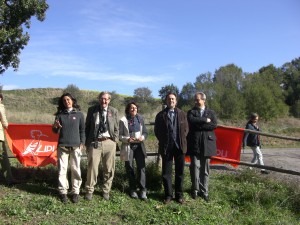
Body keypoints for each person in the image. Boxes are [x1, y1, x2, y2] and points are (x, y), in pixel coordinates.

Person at [154, 92, 189, 204]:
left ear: (176, 101)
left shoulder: (182, 114)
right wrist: (164, 140)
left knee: (180, 172)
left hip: (180, 147)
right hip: (166, 148)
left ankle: (179, 195)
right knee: (166, 173)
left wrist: (181, 140)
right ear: (166, 101)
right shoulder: (160, 115)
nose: (171, 101)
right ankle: (168, 195)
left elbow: (186, 130)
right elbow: (157, 131)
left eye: (173, 99)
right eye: (169, 99)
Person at [84, 91, 119, 201]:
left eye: (106, 99)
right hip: (95, 142)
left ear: (109, 100)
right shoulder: (92, 110)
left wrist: (115, 141)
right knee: (92, 168)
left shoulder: (114, 111)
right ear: (99, 99)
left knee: (109, 168)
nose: (104, 101)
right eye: (102, 98)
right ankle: (89, 190)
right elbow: (87, 127)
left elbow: (117, 128)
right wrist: (86, 142)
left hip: (109, 142)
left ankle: (106, 190)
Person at [52, 93, 85, 204]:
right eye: (64, 100)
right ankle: (63, 192)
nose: (67, 101)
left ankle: (75, 192)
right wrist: (56, 127)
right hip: (62, 146)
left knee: (76, 169)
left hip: (76, 146)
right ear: (62, 102)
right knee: (62, 170)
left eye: (68, 99)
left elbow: (82, 130)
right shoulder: (59, 115)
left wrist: (82, 142)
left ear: (72, 101)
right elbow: (55, 131)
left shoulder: (79, 114)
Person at [187, 92, 217, 202]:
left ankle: (204, 191)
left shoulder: (211, 112)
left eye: (198, 99)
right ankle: (195, 190)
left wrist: (199, 124)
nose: (196, 101)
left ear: (203, 100)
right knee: (195, 167)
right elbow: (191, 121)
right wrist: (204, 120)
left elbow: (213, 125)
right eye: (195, 99)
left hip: (207, 144)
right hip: (194, 143)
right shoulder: (191, 112)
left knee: (205, 169)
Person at [119, 102, 148, 200]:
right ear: (128, 109)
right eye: (131, 108)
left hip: (139, 146)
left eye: (135, 108)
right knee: (130, 168)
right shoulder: (123, 120)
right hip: (128, 147)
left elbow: (145, 132)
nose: (134, 109)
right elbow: (119, 135)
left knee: (141, 168)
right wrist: (127, 139)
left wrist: (142, 137)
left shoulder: (140, 119)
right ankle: (133, 189)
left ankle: (143, 190)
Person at [0, 93, 19, 185]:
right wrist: (8, 127)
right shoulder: (0, 107)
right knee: (3, 158)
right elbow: (4, 122)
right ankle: (9, 179)